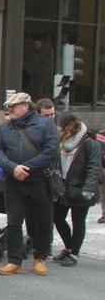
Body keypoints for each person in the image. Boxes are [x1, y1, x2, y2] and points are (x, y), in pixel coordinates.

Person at [0, 92, 59, 277]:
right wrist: (13, 168)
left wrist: (26, 168)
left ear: (25, 106)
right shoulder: (5, 128)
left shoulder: (45, 124)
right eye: (9, 107)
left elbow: (51, 151)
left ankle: (40, 258)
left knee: (43, 220)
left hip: (39, 179)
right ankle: (14, 261)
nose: (10, 110)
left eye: (13, 106)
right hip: (13, 181)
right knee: (14, 221)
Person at [52, 114, 101, 267]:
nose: (62, 129)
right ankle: (68, 247)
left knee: (78, 221)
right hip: (64, 186)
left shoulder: (89, 142)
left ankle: (74, 253)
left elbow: (94, 166)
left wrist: (88, 188)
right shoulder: (63, 140)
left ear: (72, 126)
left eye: (64, 127)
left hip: (82, 187)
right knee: (57, 217)